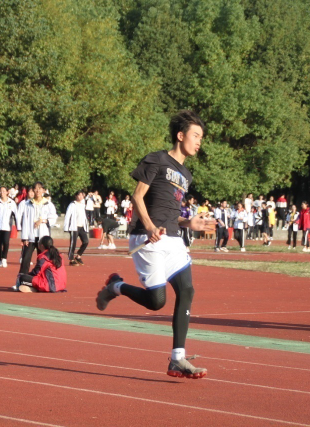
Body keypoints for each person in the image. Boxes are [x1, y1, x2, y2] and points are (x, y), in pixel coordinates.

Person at [95, 110, 209, 379]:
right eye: (195, 135)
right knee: (157, 301)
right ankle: (116, 286)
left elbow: (170, 213)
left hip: (173, 239)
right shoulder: (156, 159)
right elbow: (137, 196)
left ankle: (177, 359)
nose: (199, 141)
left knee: (187, 290)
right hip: (147, 238)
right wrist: (148, 225)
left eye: (201, 137)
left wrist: (188, 223)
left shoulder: (186, 175)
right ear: (180, 136)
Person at [17, 182, 58, 274]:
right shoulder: (27, 204)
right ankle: (22, 278)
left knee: (43, 259)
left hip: (42, 237)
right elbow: (25, 221)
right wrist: (24, 237)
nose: (38, 190)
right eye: (35, 188)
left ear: (43, 190)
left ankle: (42, 278)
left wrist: (43, 220)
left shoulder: (48, 204)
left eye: (40, 188)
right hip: (30, 236)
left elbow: (53, 217)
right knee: (25, 259)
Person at [0, 186, 18, 268]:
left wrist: (18, 225)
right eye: (1, 191)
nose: (2, 193)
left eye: (4, 191)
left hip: (7, 226)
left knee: (6, 242)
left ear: (7, 192)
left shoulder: (11, 202)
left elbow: (16, 214)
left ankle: (4, 258)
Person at [64, 191, 89, 266]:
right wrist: (66, 227)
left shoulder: (83, 204)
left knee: (86, 241)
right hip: (74, 227)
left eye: (82, 195)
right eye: (79, 195)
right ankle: (71, 259)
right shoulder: (72, 204)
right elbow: (68, 215)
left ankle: (78, 256)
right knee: (73, 243)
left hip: (82, 226)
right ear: (76, 196)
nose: (80, 197)